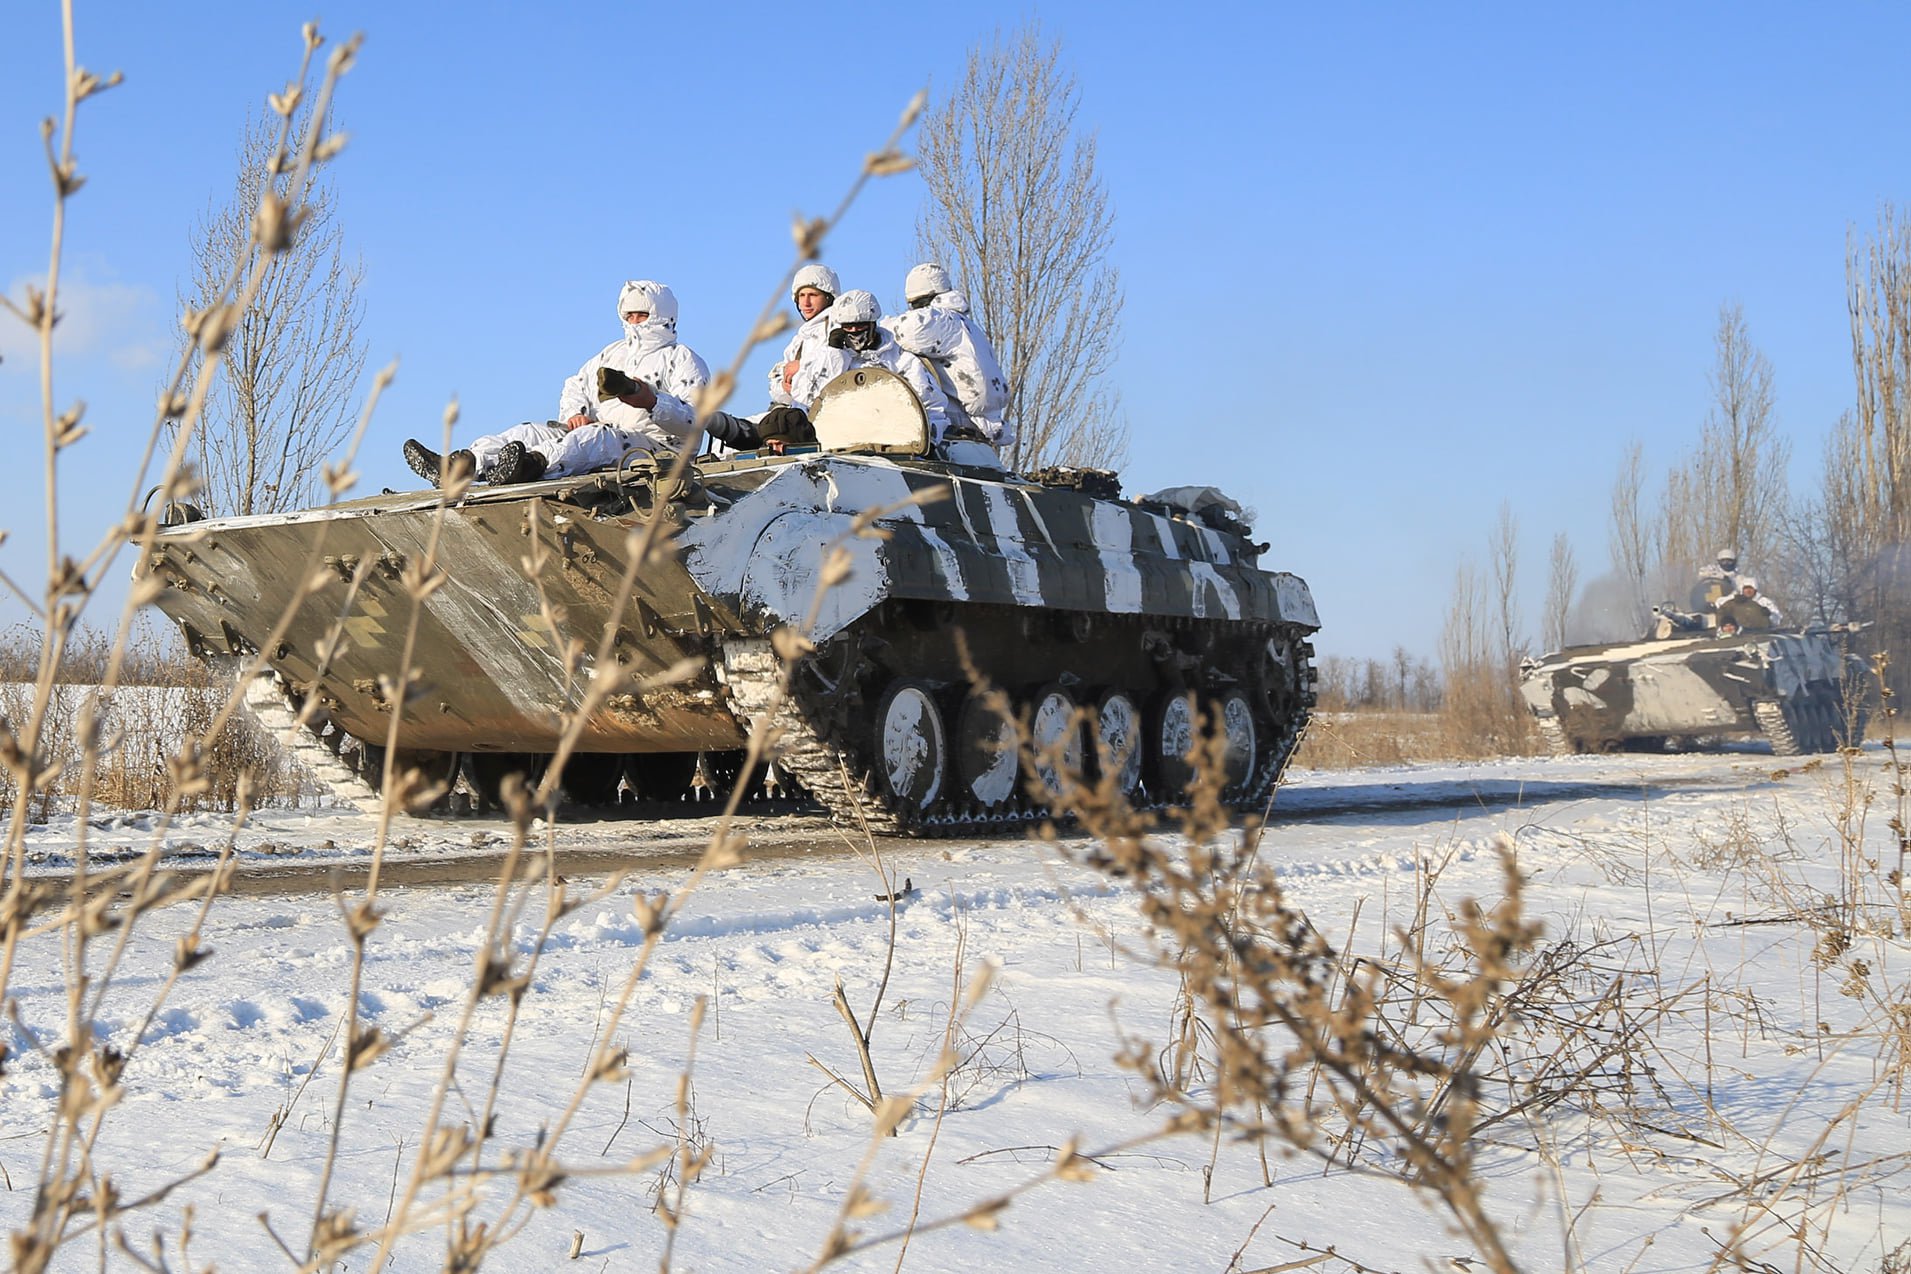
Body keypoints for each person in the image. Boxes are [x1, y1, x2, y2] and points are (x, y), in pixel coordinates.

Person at [403, 280, 710, 486]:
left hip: (656, 449)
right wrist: (574, 413)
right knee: (528, 431)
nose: (632, 322)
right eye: (628, 315)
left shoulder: (682, 359)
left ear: (661, 315)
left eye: (640, 315)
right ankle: (463, 466)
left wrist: (653, 402)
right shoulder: (611, 354)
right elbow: (576, 384)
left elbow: (695, 421)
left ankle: (529, 467)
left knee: (596, 437)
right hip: (598, 430)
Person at [788, 290, 951, 439]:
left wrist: (928, 439)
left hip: (892, 445)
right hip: (838, 444)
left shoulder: (900, 359)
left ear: (873, 323)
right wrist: (833, 356)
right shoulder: (826, 357)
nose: (854, 331)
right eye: (848, 327)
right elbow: (806, 401)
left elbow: (932, 406)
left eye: (860, 326)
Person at [887, 262, 1011, 446]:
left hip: (957, 420)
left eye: (916, 305)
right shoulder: (965, 324)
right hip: (977, 420)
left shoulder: (943, 321)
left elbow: (905, 331)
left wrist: (872, 326)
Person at [766, 264, 839, 407]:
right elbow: (778, 380)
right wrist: (784, 386)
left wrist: (802, 367)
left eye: (813, 295)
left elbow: (839, 369)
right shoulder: (800, 339)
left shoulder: (840, 328)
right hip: (800, 413)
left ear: (828, 297)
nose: (806, 303)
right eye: (801, 296)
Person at [1714, 578, 1784, 632]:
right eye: (1746, 588)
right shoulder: (1734, 600)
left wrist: (1770, 615)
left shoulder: (1764, 602)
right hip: (1739, 635)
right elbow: (1719, 604)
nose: (1748, 591)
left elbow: (1777, 620)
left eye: (1750, 588)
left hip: (1761, 634)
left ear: (1755, 589)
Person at [1690, 548, 1743, 612]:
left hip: (1729, 608)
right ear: (1719, 561)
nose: (1726, 563)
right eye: (1723, 561)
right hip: (1706, 604)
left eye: (1729, 561)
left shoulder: (1739, 578)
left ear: (1734, 562)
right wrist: (1721, 577)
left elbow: (1741, 592)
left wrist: (1731, 583)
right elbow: (1702, 573)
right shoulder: (1713, 569)